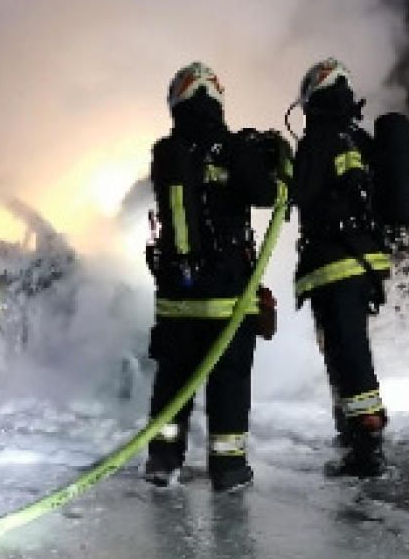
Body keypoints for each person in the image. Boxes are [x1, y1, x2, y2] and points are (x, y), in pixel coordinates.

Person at [143, 62, 288, 493]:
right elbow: (269, 195)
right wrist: (272, 160)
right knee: (229, 382)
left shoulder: (166, 152)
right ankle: (228, 468)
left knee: (173, 383)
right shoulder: (236, 148)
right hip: (228, 297)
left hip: (176, 297)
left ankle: (162, 461)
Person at [290, 58, 392, 478]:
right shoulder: (359, 139)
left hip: (333, 260)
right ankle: (354, 434)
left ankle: (366, 447)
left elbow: (301, 192)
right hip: (365, 259)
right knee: (349, 348)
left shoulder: (318, 139)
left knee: (346, 352)